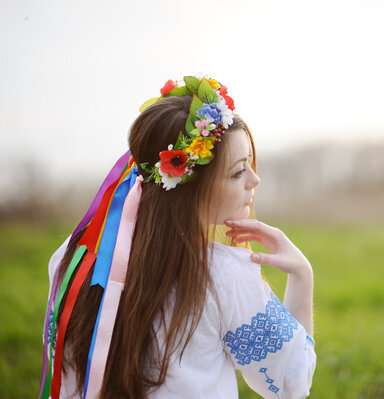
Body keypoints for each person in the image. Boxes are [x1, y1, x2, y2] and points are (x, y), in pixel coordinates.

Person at [39, 76, 316, 399]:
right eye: (238, 171)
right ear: (190, 186)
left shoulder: (74, 258)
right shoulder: (223, 275)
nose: (254, 180)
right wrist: (301, 274)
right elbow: (292, 383)